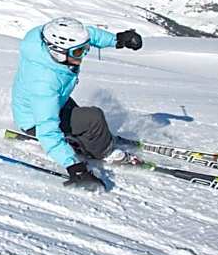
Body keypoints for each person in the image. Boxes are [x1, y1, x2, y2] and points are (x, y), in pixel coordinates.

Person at [11, 17, 143, 192]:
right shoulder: (44, 83)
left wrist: (117, 40)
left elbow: (88, 35)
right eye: (79, 52)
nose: (84, 54)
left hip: (53, 102)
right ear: (58, 51)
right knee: (93, 118)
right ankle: (105, 151)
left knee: (83, 118)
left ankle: (93, 138)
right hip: (34, 121)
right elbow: (47, 130)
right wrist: (74, 166)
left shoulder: (41, 38)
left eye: (84, 49)